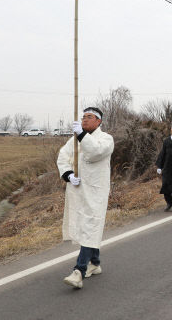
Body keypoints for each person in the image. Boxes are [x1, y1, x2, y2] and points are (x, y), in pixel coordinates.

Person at [58, 107, 114, 289]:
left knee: (91, 226)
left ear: (99, 121)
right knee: (88, 226)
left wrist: (82, 135)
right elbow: (62, 157)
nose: (84, 120)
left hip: (96, 192)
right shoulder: (73, 140)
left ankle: (79, 271)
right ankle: (95, 263)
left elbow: (96, 152)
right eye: (83, 117)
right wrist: (68, 174)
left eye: (89, 117)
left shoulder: (106, 139)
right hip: (78, 191)